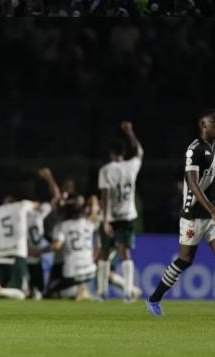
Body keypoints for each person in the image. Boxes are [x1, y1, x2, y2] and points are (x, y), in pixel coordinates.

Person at [147, 110, 215, 319]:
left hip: (214, 213)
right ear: (204, 126)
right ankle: (154, 299)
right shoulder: (193, 150)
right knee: (185, 260)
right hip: (193, 215)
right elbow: (193, 184)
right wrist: (212, 211)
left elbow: (211, 184)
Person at [96, 121, 143, 302]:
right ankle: (127, 293)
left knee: (104, 253)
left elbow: (105, 195)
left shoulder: (106, 170)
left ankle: (101, 293)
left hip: (112, 216)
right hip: (128, 215)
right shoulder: (132, 165)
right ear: (123, 153)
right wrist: (130, 132)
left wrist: (106, 220)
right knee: (125, 253)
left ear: (111, 153)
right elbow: (139, 151)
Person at [0, 196, 41, 300]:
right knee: (21, 293)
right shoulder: (22, 205)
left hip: (0, 255)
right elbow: (37, 204)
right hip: (16, 253)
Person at [40, 200, 99, 299]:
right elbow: (98, 244)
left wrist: (38, 251)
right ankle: (80, 289)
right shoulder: (89, 224)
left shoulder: (63, 226)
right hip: (90, 271)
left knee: (50, 293)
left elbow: (56, 246)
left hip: (72, 272)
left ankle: (77, 292)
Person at [26, 167, 61, 299]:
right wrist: (49, 177)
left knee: (32, 292)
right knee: (34, 292)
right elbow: (56, 197)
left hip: (28, 256)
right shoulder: (43, 210)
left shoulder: (23, 209)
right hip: (32, 256)